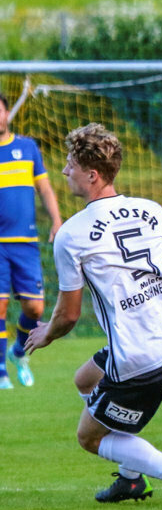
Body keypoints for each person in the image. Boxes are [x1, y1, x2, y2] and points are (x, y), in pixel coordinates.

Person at [24, 123, 162, 507]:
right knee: (85, 379)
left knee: (89, 437)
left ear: (92, 175)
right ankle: (130, 480)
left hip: (141, 357)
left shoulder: (72, 234)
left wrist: (45, 334)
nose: (64, 171)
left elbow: (69, 314)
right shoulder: (151, 209)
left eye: (70, 164)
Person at [0, 93, 62, 389]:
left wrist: (57, 220)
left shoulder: (26, 148)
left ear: (7, 113)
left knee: (35, 309)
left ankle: (17, 352)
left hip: (25, 241)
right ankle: (0, 372)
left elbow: (45, 188)